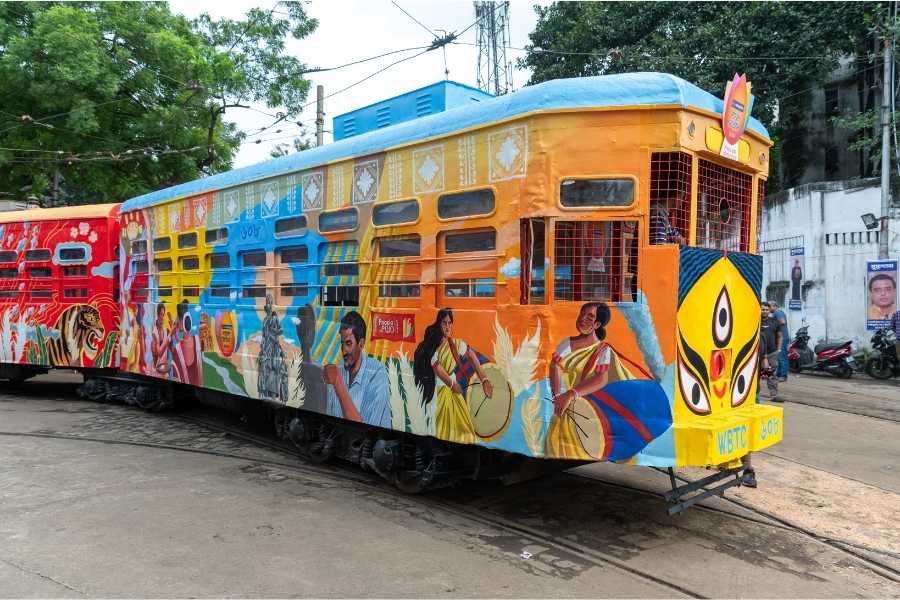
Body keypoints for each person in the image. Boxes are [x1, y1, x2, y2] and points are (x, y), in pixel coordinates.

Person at [545, 302, 616, 459]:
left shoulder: (602, 350)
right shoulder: (566, 343)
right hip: (560, 405)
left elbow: (600, 379)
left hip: (584, 409)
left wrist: (570, 394)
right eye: (581, 314)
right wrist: (558, 396)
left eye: (589, 317)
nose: (582, 319)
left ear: (597, 324)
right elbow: (555, 366)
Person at [412, 308, 493, 444]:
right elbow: (436, 367)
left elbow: (471, 355)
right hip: (440, 393)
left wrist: (484, 379)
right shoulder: (433, 345)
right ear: (439, 324)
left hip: (454, 393)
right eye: (444, 323)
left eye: (450, 323)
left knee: (464, 427)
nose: (448, 326)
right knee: (442, 428)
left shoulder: (454, 344)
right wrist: (452, 384)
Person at [323, 310, 391, 428]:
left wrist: (338, 383)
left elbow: (365, 428)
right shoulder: (338, 370)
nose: (343, 351)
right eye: (342, 343)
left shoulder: (378, 374)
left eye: (348, 343)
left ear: (361, 344)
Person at [759, 302, 781, 402]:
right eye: (762, 309)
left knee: (771, 374)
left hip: (772, 352)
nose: (764, 311)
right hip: (758, 353)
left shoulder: (774, 322)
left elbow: (780, 336)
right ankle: (755, 394)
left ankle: (773, 394)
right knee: (756, 374)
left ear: (769, 310)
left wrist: (779, 348)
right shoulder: (755, 321)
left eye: (766, 310)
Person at [768, 301, 789, 381]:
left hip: (782, 338)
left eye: (769, 306)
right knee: (779, 357)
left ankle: (783, 376)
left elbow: (783, 322)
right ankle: (779, 374)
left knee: (782, 357)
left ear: (774, 306)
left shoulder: (777, 313)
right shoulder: (778, 313)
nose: (768, 308)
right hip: (781, 338)